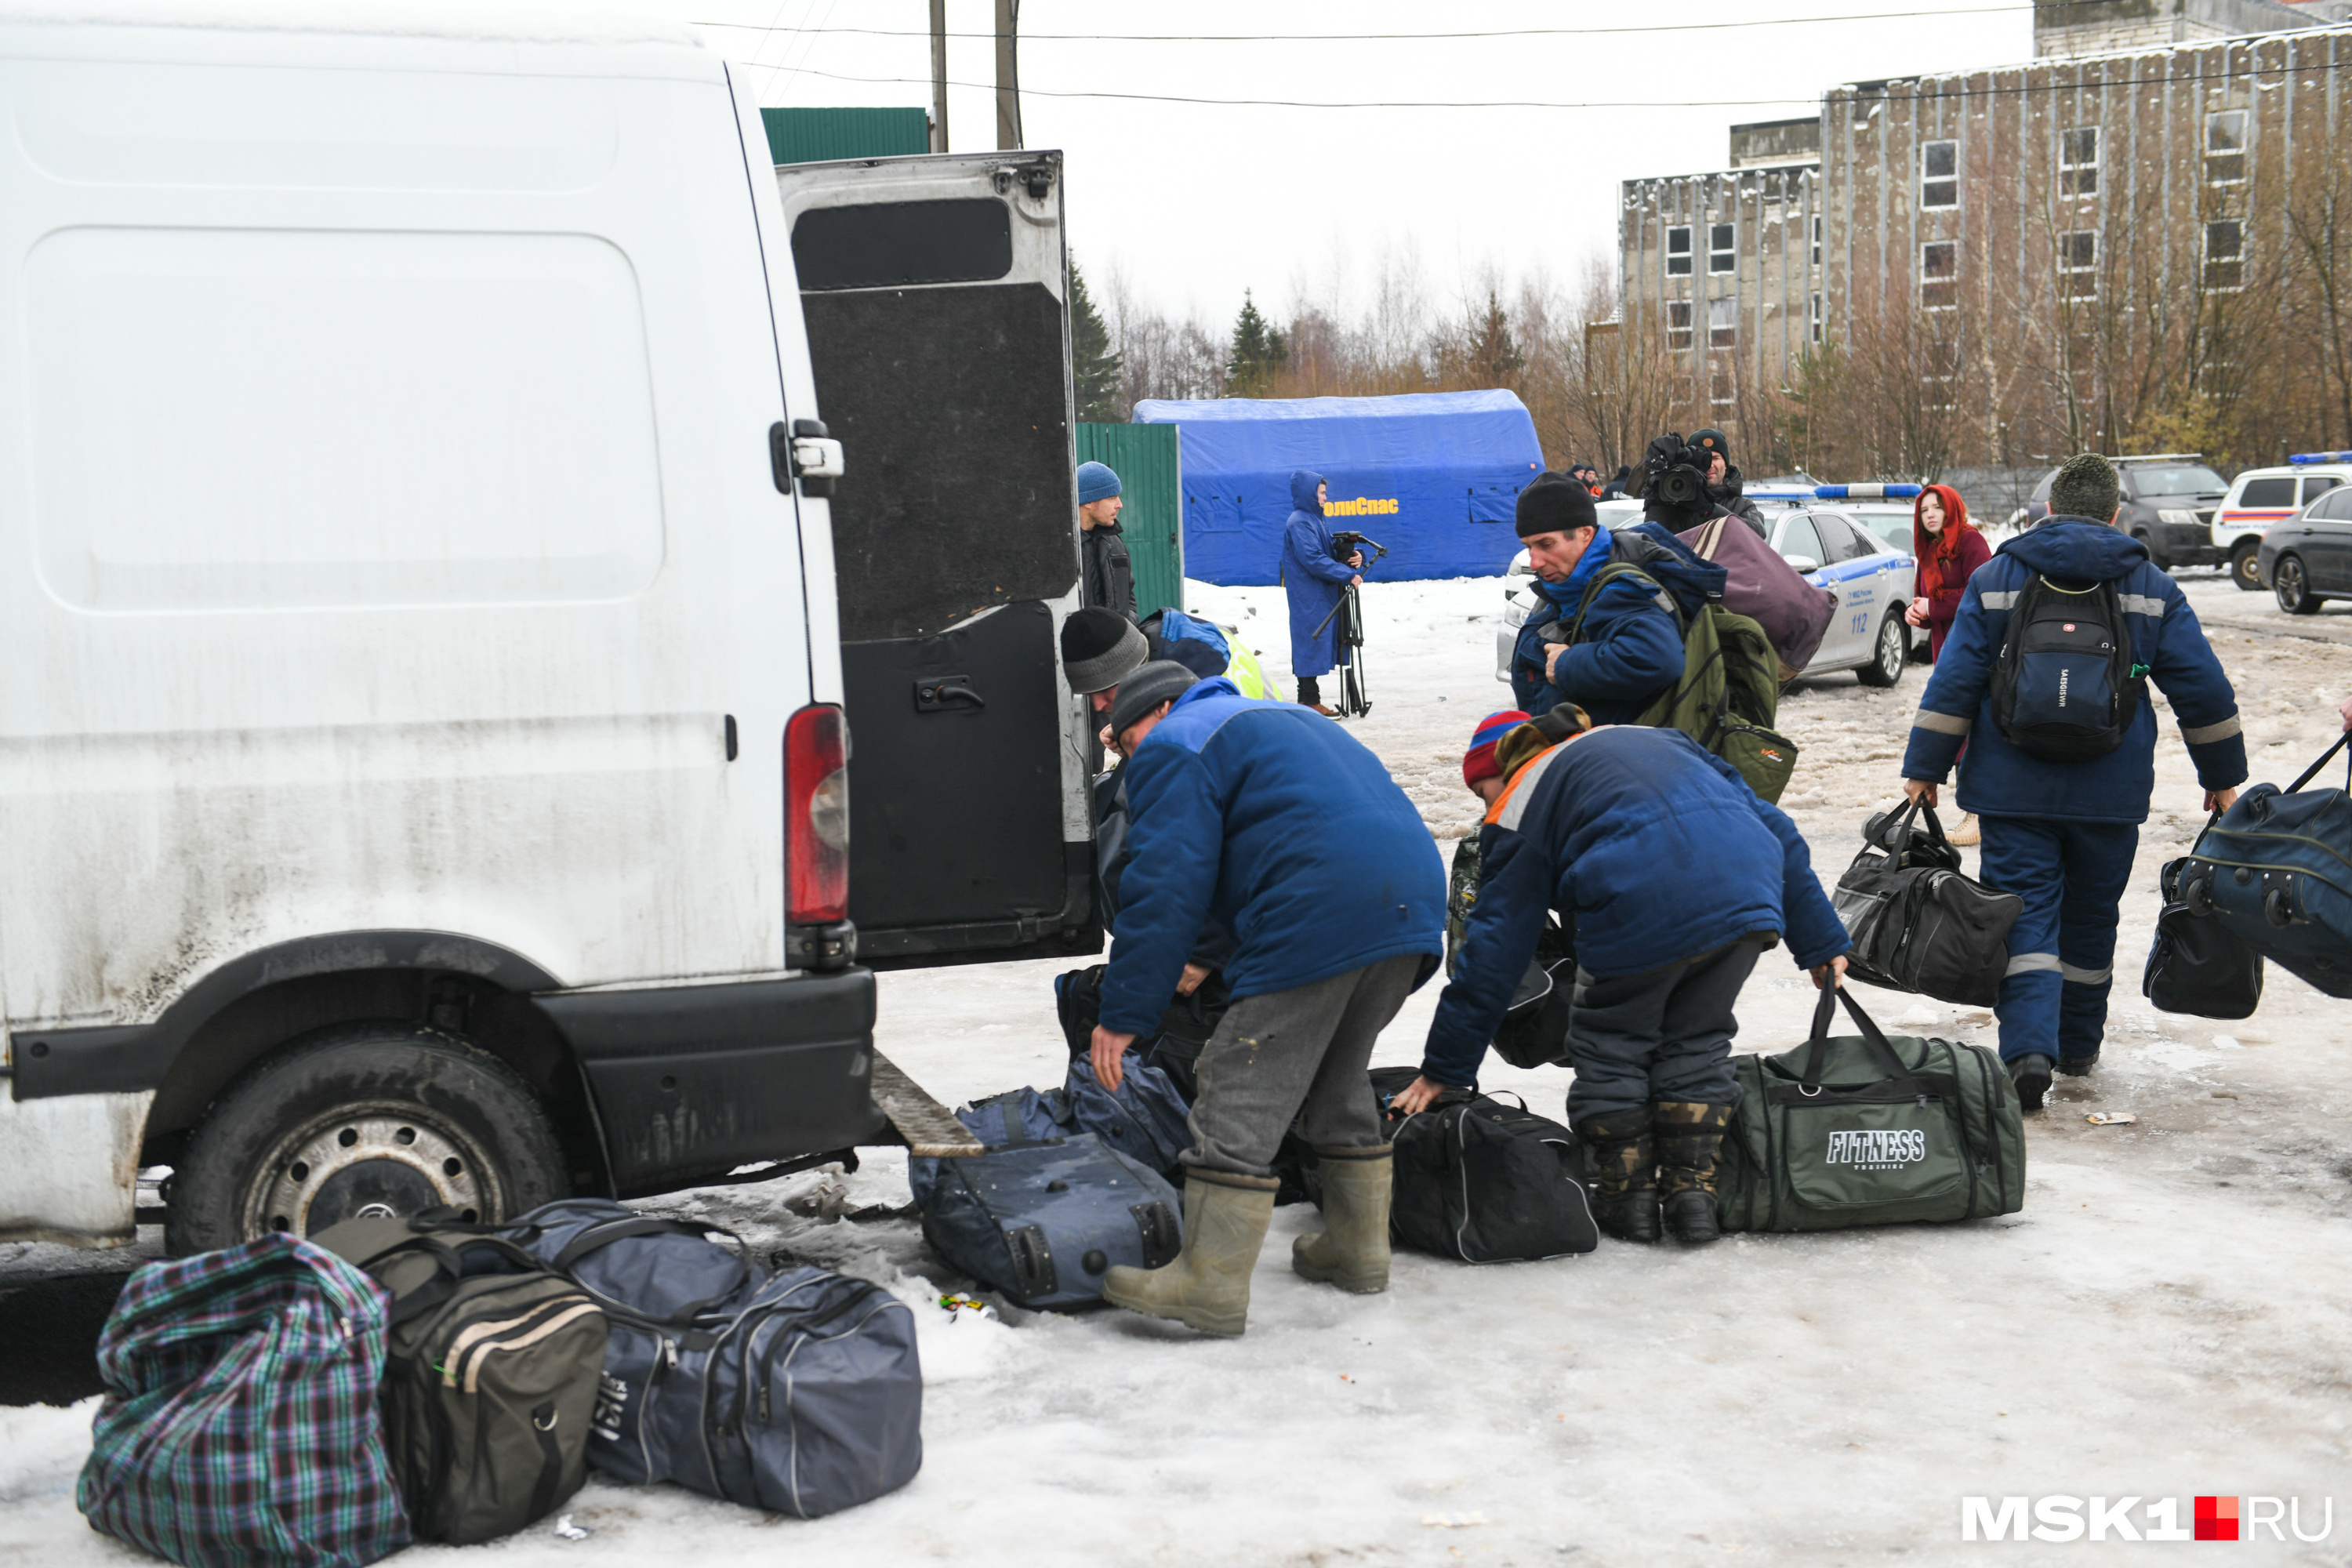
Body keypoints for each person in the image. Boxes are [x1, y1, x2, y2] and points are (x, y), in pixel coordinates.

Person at [1394, 710, 1850, 1245]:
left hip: (1638, 901)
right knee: (1696, 1042)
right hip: (1746, 896)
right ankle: (1694, 1200)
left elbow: (1493, 949)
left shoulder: (1521, 799)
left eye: (1482, 790)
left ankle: (1627, 1200)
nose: (1486, 806)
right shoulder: (1659, 740)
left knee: (1612, 1046)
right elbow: (1777, 830)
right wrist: (1820, 941)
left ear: (1505, 767)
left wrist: (1443, 1069)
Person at [1085, 662, 1445, 1337]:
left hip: (1316, 909)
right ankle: (1357, 1249)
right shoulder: (1290, 720)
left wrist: (1124, 1012)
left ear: (1156, 712)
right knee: (1335, 1074)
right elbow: (1270, 842)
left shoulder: (1176, 740)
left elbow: (1164, 884)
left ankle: (1210, 1283)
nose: (1130, 762)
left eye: (1126, 742)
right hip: (1411, 906)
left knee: (1238, 1080)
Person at [1899, 452, 2246, 1112]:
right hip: (2109, 794)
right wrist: (2222, 777)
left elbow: (1958, 679)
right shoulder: (2149, 585)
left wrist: (1925, 769)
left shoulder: (1998, 576)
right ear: (2115, 514)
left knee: (2021, 914)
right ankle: (2079, 1046)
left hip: (2010, 787)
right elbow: (2202, 688)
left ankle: (2028, 1050)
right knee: (2091, 919)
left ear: (2049, 511)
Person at [1507, 470, 1719, 722]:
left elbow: (1659, 660)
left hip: (1617, 755)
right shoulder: (1564, 586)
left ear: (1585, 534)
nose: (1535, 561)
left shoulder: (1620, 590)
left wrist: (1566, 664)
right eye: (1528, 546)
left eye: (1546, 544)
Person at [1903, 484, 1993, 846]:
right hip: (1946, 652)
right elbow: (1925, 599)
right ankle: (1970, 811)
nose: (1930, 515)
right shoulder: (1928, 550)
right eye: (1924, 510)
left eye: (1937, 507)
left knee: (1972, 729)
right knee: (1950, 728)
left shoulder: (1971, 542)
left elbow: (1984, 593)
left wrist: (1933, 608)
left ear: (1952, 509)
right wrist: (1918, 613)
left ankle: (1978, 814)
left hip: (1975, 650)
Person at [1279, 469, 1361, 716]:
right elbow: (1313, 559)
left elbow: (1327, 554)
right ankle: (1309, 700)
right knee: (1310, 641)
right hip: (1309, 594)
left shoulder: (1314, 519)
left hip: (1318, 592)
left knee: (1315, 640)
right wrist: (1347, 575)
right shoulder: (1300, 522)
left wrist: (1354, 558)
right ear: (1309, 493)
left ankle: (1308, 699)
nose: (1325, 498)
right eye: (1322, 493)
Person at [1076, 460, 1137, 621]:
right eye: (1112, 498)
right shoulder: (1064, 549)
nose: (1120, 505)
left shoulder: (1115, 544)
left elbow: (1128, 595)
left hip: (1117, 643)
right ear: (1088, 501)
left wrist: (1128, 626)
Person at [1687, 427, 1768, 538]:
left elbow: (1756, 535)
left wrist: (1711, 510)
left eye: (1715, 458)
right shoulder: (1675, 503)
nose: (1710, 465)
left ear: (1726, 464)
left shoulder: (1743, 506)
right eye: (1703, 459)